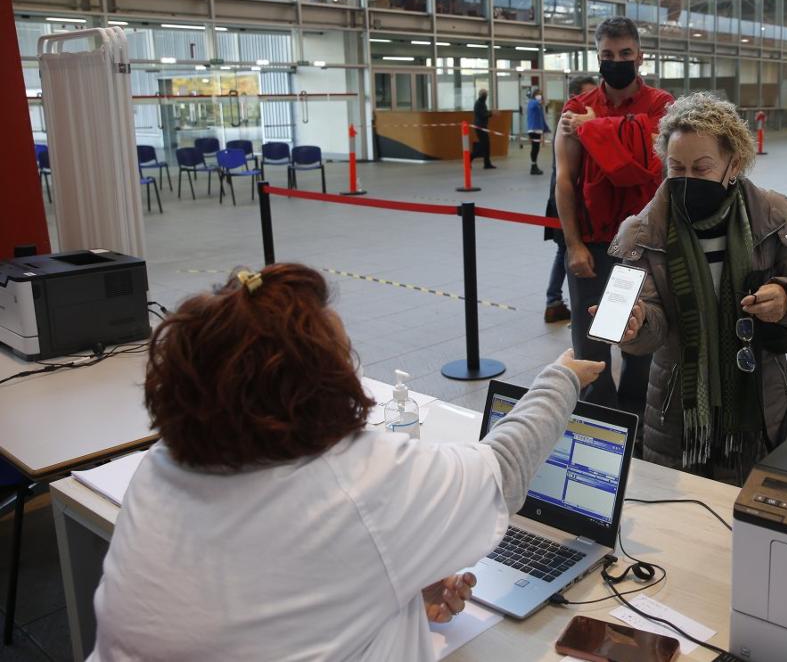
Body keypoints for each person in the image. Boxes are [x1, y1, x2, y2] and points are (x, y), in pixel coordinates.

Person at [89, 264, 605, 661]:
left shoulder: (160, 467)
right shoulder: (358, 481)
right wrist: (561, 378)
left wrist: (394, 576)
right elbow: (505, 466)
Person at [607, 93, 787, 483]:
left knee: (751, 507)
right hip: (677, 412)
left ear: (734, 165)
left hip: (760, 401)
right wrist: (637, 324)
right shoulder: (643, 233)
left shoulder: (772, 216)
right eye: (676, 167)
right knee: (680, 509)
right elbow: (652, 327)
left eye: (702, 167)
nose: (687, 179)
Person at [555, 17, 673, 415]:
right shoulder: (576, 108)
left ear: (640, 56)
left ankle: (637, 421)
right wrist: (573, 245)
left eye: (625, 53)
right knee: (590, 340)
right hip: (593, 242)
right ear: (597, 56)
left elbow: (657, 158)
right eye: (608, 54)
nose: (617, 61)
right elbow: (565, 181)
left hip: (644, 245)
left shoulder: (661, 104)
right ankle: (599, 421)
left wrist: (594, 128)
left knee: (640, 334)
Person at [543, 76, 598, 323]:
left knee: (563, 250)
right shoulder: (569, 122)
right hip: (564, 200)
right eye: (588, 95)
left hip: (574, 199)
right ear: (575, 97)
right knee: (565, 249)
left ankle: (553, 299)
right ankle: (553, 300)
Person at [525, 90, 548, 176]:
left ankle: (534, 165)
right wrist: (539, 101)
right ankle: (533, 166)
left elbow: (541, 118)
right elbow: (533, 104)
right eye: (538, 94)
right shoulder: (532, 102)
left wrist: (545, 129)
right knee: (535, 148)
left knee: (536, 148)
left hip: (538, 129)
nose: (540, 96)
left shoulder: (539, 106)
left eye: (541, 94)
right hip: (533, 129)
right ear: (534, 95)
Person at [472, 88, 495, 169]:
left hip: (483, 127)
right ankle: (470, 158)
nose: (486, 96)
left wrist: (490, 113)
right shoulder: (478, 103)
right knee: (483, 145)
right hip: (480, 127)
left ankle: (487, 163)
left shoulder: (482, 103)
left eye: (486, 94)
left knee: (486, 145)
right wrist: (491, 113)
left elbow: (484, 113)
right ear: (481, 95)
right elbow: (482, 115)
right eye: (485, 95)